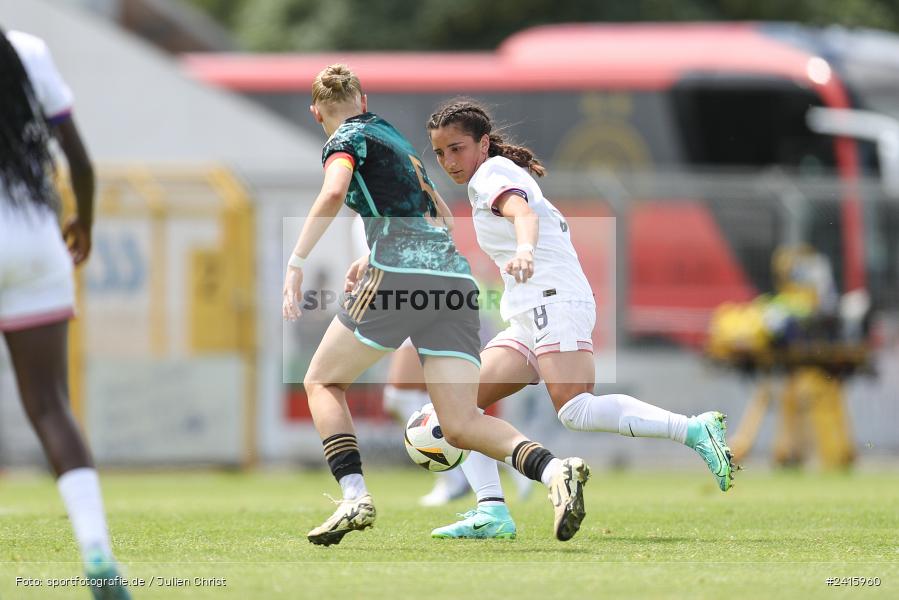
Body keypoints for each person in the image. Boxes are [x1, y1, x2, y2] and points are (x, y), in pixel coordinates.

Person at [283, 64, 590, 546]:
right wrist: (375, 254)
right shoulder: (396, 140)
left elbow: (335, 189)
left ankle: (355, 495)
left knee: (321, 380)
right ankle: (555, 470)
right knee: (461, 421)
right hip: (452, 280)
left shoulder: (342, 141)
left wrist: (297, 261)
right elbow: (443, 217)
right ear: (364, 102)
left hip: (400, 276)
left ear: (315, 111)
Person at [425, 99, 736, 539]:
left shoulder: (494, 174)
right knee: (458, 406)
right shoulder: (486, 179)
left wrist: (525, 250)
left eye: (456, 148)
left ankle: (693, 429)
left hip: (555, 300)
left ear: (483, 143)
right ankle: (492, 511)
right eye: (439, 153)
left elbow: (523, 215)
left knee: (574, 409)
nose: (448, 161)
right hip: (530, 312)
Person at [0, 28, 131, 599]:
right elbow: (78, 158)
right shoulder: (26, 49)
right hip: (36, 241)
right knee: (51, 403)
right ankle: (96, 549)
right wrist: (86, 224)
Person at [348, 215, 470, 506]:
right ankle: (483, 463)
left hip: (416, 303)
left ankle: (459, 475)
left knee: (403, 398)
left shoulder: (394, 201)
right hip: (400, 303)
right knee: (428, 399)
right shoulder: (365, 211)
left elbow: (434, 233)